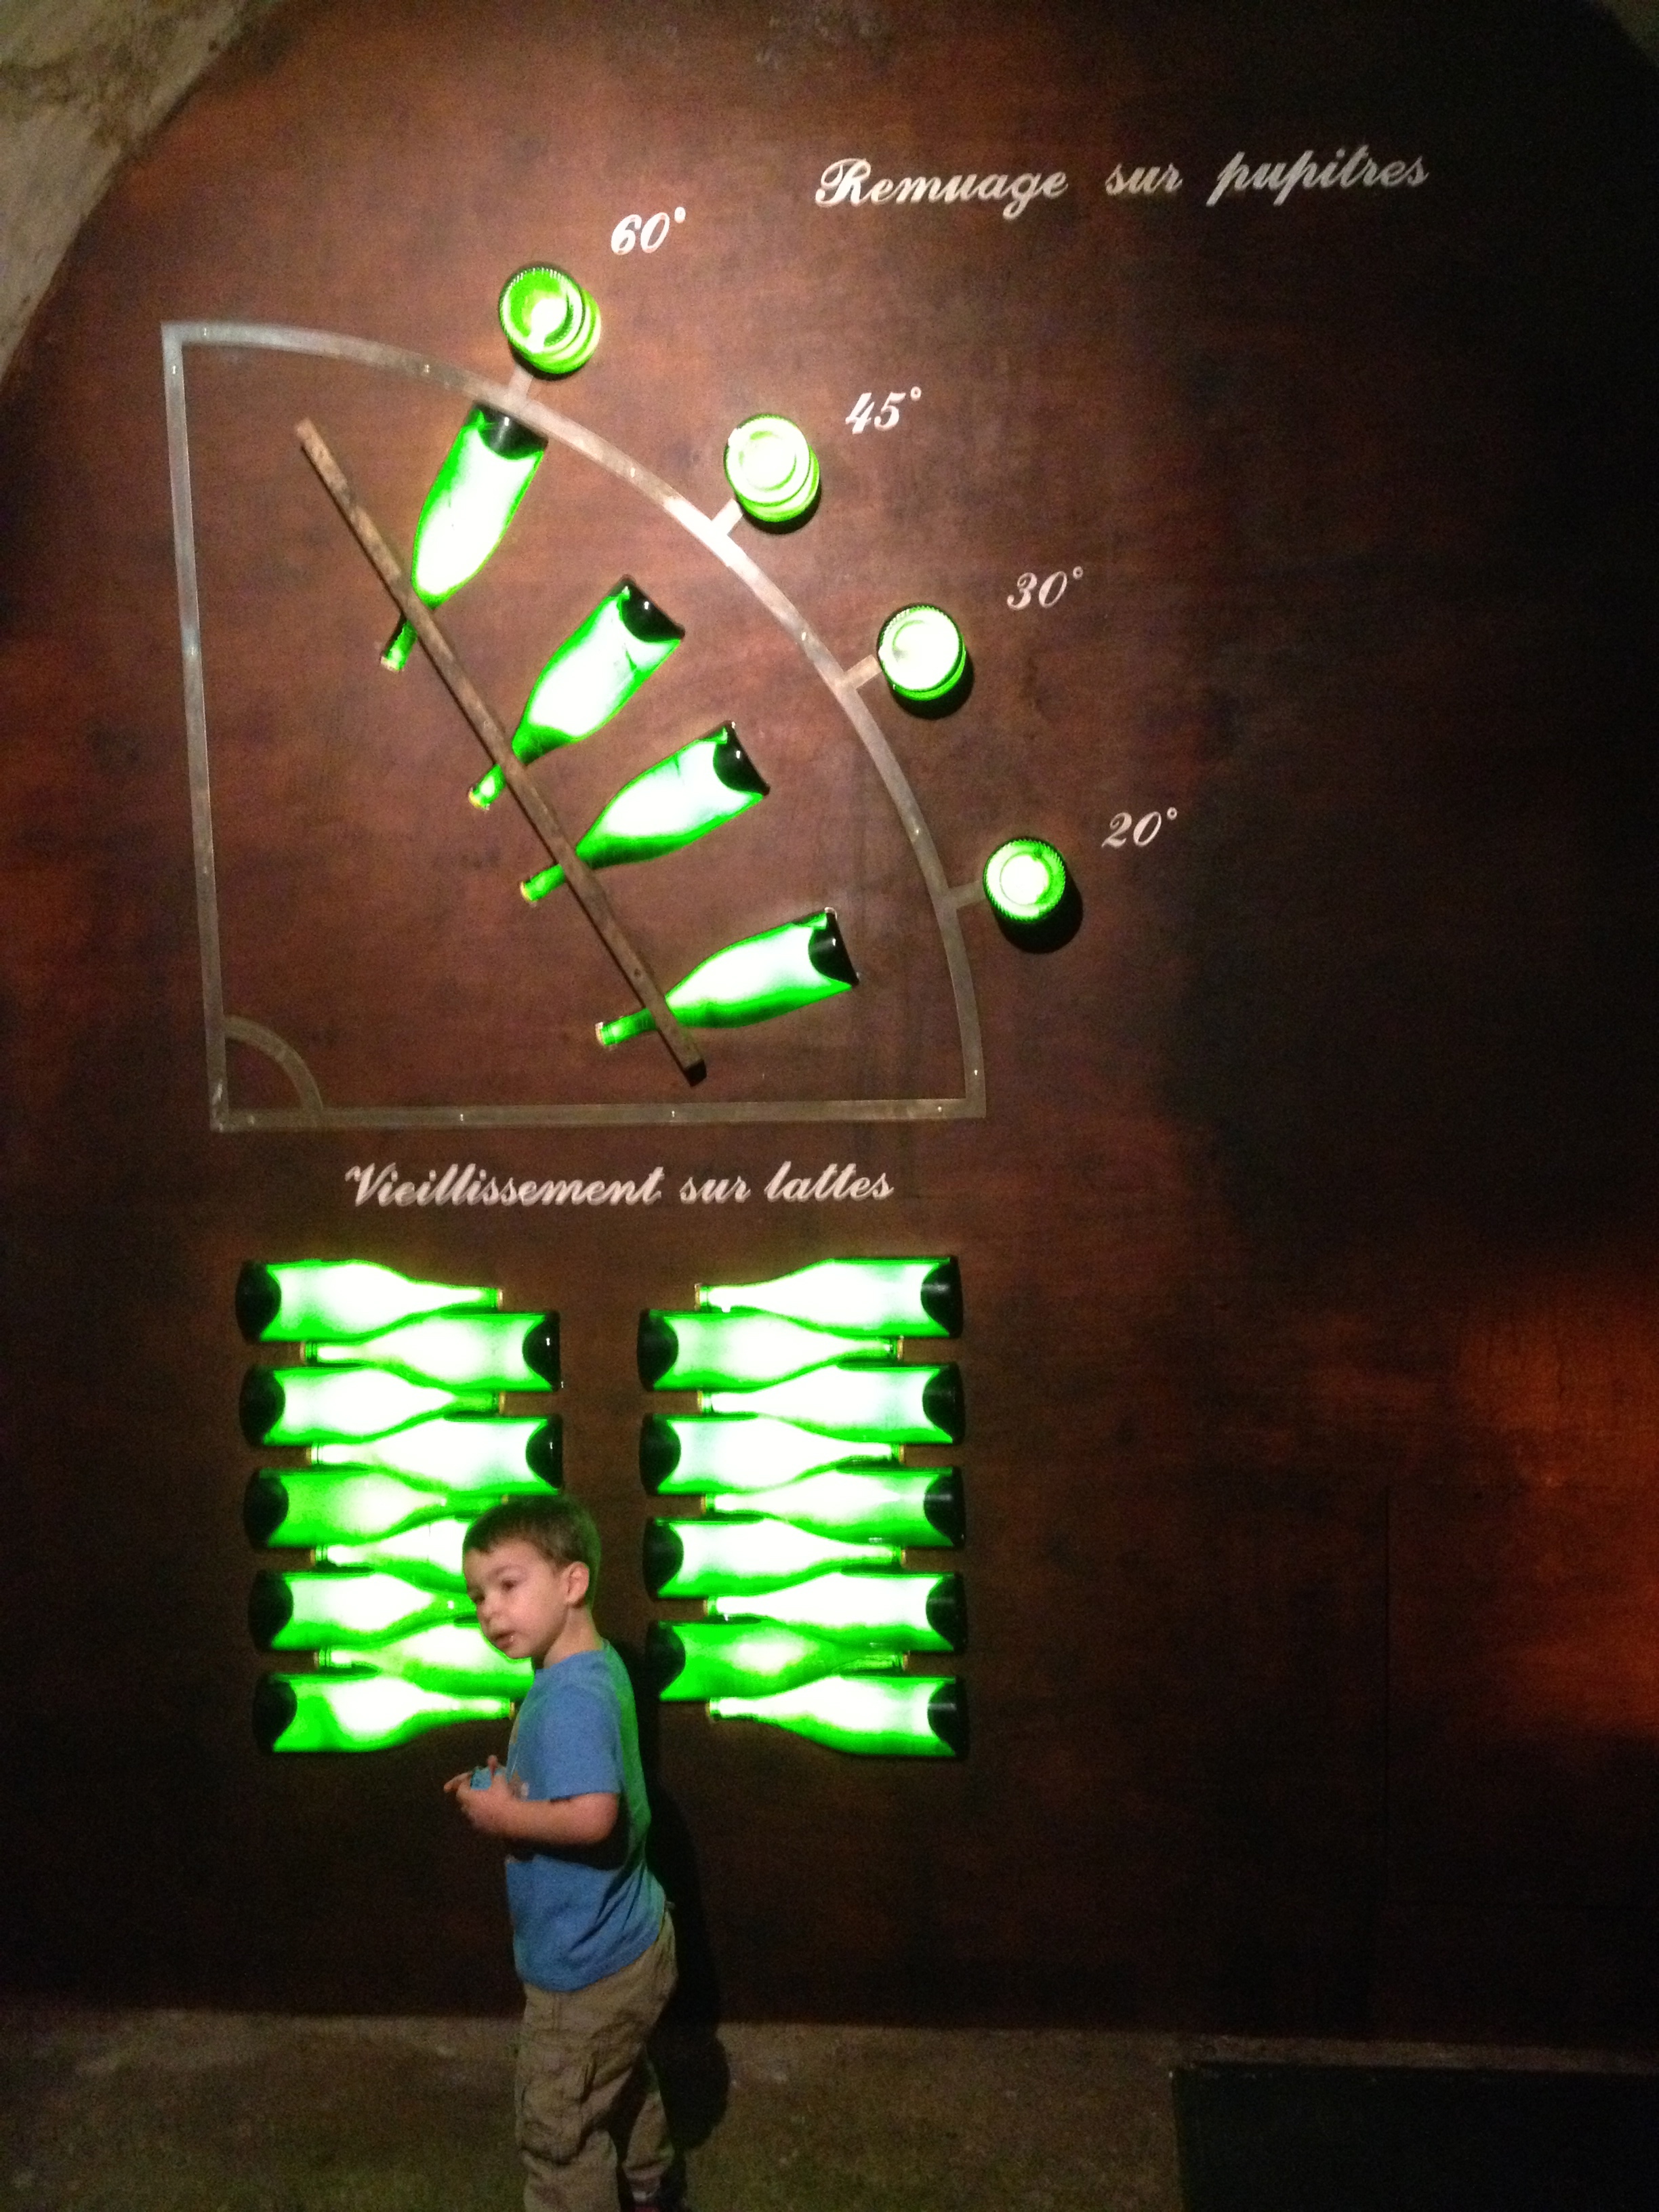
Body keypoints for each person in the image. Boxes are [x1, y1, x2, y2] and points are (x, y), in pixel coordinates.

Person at [445, 1494, 678, 2212]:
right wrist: (511, 1789)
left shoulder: (570, 1699)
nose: (490, 1610)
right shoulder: (591, 1669)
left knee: (558, 2129)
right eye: (478, 1595)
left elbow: (594, 1816)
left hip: (584, 1967)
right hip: (633, 1942)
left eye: (508, 1585)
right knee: (613, 2076)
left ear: (573, 1582)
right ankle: (652, 2186)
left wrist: (502, 1814)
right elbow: (579, 1783)